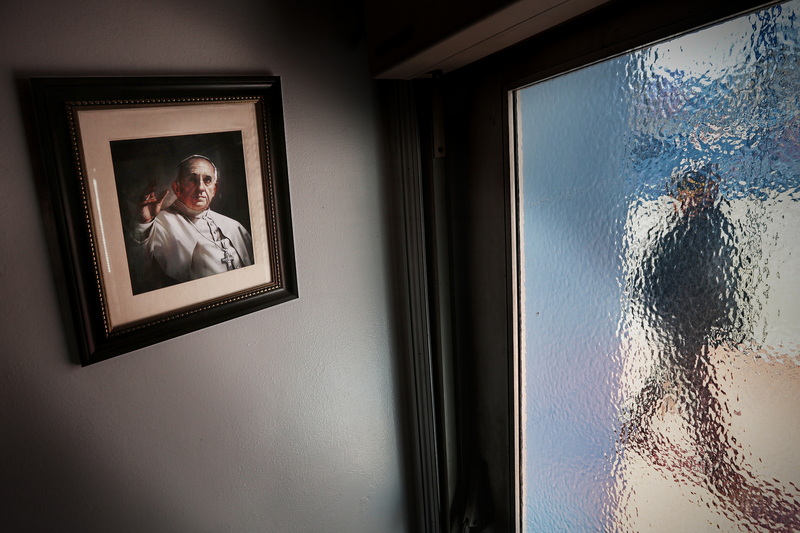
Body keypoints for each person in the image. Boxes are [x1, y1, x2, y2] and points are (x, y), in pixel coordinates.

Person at [620, 165, 800, 530]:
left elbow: (723, 278)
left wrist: (723, 320)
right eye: (690, 191)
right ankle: (718, 469)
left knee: (674, 379)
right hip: (679, 325)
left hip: (690, 324)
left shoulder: (710, 227)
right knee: (698, 394)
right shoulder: (683, 230)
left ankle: (636, 424)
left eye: (702, 190)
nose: (696, 197)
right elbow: (653, 279)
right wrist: (668, 317)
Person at [131, 155, 253, 291]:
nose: (200, 187)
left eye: (207, 180)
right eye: (192, 180)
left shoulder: (233, 225)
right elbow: (140, 270)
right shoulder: (158, 223)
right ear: (177, 188)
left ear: (214, 189)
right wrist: (144, 223)